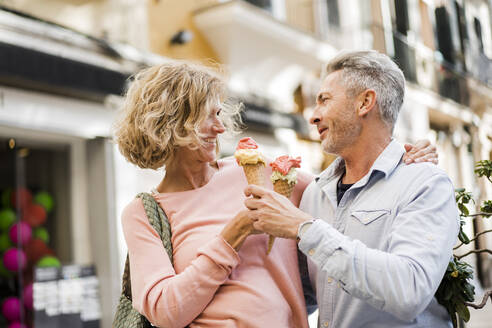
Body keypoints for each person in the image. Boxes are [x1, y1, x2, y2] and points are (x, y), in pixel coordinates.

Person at [114, 60, 439, 328]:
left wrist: (400, 156)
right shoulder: (142, 214)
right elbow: (165, 311)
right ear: (174, 122)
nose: (221, 127)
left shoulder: (261, 171)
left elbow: (345, 186)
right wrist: (234, 233)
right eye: (210, 115)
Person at [244, 50, 459, 328]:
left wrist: (305, 229)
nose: (313, 116)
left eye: (324, 100)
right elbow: (307, 295)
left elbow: (409, 291)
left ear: (365, 102)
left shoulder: (425, 184)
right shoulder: (314, 192)